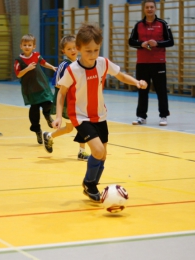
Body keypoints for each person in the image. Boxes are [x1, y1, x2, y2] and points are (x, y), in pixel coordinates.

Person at [53, 24, 147, 202]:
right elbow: (61, 93)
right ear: (79, 49)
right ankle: (90, 184)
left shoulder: (103, 63)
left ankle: (90, 184)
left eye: (96, 50)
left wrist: (136, 82)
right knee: (97, 151)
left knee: (103, 154)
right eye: (88, 51)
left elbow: (120, 75)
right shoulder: (72, 70)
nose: (93, 55)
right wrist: (59, 116)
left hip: (100, 115)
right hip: (80, 116)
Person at [43, 35, 89, 161]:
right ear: (63, 51)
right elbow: (58, 85)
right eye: (69, 49)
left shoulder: (81, 63)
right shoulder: (64, 65)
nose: (72, 50)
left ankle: (50, 136)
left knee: (75, 126)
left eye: (74, 47)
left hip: (79, 100)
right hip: (68, 102)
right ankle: (81, 151)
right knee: (75, 126)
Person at [129, 0, 174, 126]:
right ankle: (141, 116)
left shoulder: (162, 24)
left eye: (151, 7)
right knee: (142, 89)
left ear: (155, 8)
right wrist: (140, 44)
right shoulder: (138, 25)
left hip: (158, 62)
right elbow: (131, 41)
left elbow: (171, 41)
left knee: (161, 90)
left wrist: (158, 43)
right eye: (147, 7)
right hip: (142, 63)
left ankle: (163, 116)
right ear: (144, 9)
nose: (149, 9)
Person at [14, 34, 57, 144]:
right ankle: (37, 130)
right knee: (34, 109)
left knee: (48, 102)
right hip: (30, 88)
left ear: (34, 46)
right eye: (25, 45)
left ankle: (47, 116)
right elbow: (18, 74)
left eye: (29, 45)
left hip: (41, 85)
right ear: (21, 46)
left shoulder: (37, 56)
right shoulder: (18, 60)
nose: (27, 47)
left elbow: (43, 63)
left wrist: (52, 67)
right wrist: (27, 69)